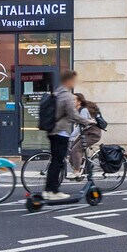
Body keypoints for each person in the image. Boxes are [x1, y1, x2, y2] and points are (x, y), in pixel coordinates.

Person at [41, 71, 84, 201]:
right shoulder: (67, 96)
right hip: (61, 132)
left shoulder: (57, 92)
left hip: (52, 130)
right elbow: (73, 115)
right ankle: (53, 191)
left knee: (55, 161)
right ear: (69, 81)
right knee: (58, 162)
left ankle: (48, 191)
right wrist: (87, 121)